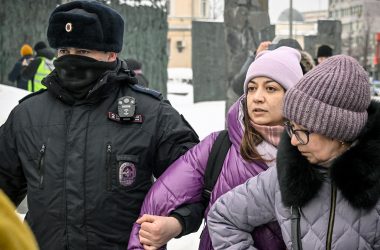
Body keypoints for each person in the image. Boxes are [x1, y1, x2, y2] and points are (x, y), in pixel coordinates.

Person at [0, 1, 200, 249]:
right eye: (64, 51)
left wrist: (176, 222)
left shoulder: (151, 114)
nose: (71, 58)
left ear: (111, 54)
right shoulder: (26, 116)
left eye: (82, 52)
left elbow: (195, 178)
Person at [128, 46, 303, 250]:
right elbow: (154, 209)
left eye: (271, 88)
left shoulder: (317, 151)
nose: (257, 97)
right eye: (252, 88)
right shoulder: (217, 147)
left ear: (292, 96)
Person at [208, 55, 380, 249]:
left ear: (339, 132)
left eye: (303, 131)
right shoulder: (283, 176)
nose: (293, 140)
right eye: (291, 127)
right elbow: (222, 217)